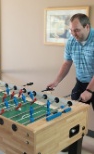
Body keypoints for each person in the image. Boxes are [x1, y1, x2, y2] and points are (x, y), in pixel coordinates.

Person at [47, 13, 94, 153]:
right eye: (71, 30)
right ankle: (73, 146)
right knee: (73, 117)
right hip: (80, 83)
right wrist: (56, 82)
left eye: (77, 30)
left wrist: (90, 91)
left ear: (87, 27)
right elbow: (67, 63)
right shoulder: (71, 41)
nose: (73, 34)